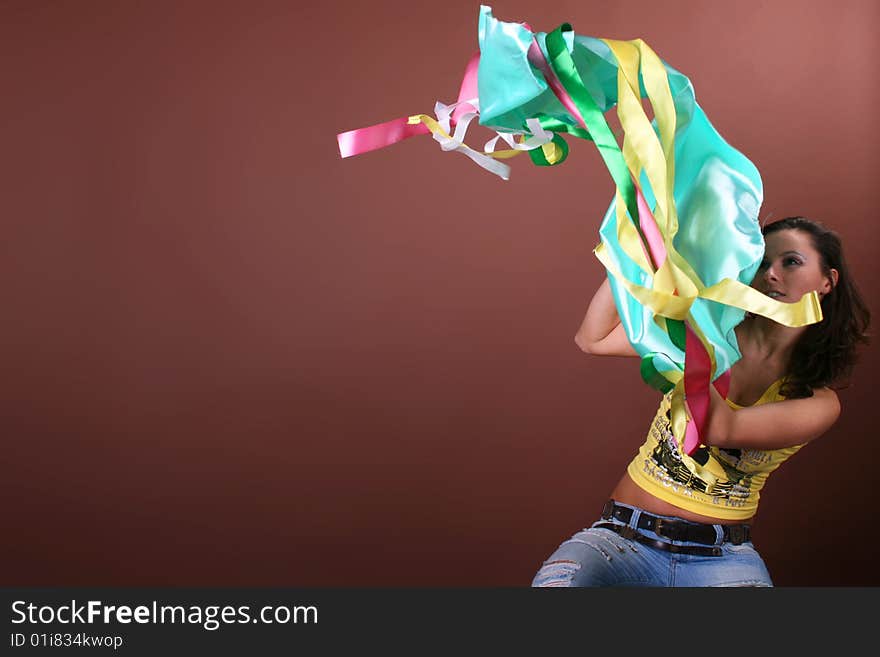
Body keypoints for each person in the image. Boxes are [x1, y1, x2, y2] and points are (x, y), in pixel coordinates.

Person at [531, 216, 870, 587]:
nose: (771, 273)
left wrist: (686, 330)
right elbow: (593, 338)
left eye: (791, 261)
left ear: (827, 282)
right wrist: (639, 247)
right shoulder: (709, 327)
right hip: (620, 541)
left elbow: (717, 427)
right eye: (760, 262)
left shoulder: (818, 403)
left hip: (723, 561)